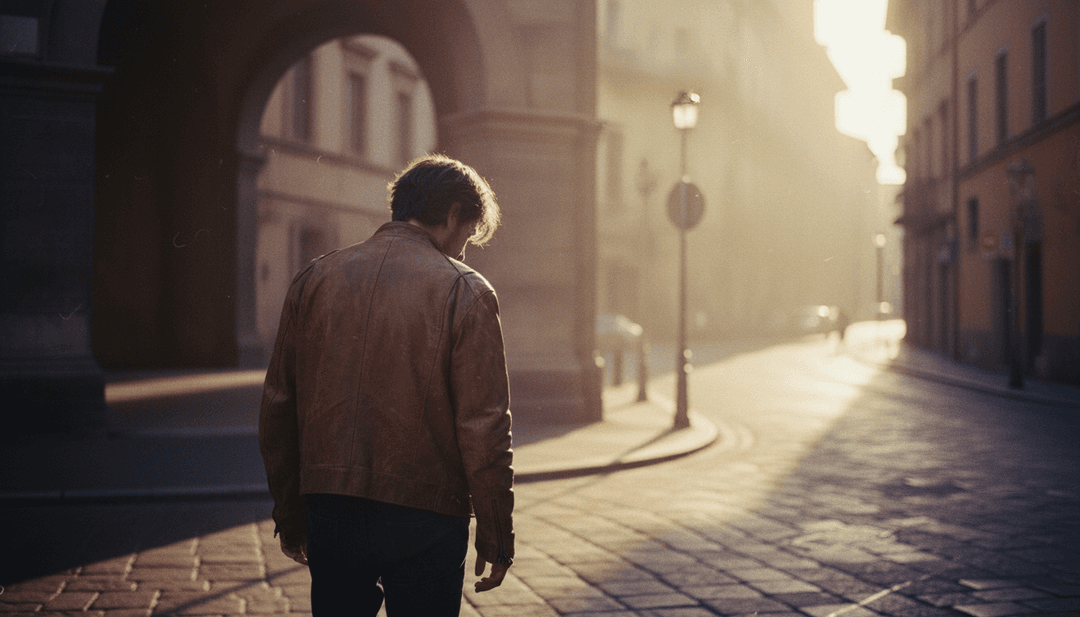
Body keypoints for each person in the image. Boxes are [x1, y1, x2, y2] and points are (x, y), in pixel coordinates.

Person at [259, 154, 514, 616]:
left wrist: (290, 513)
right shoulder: (466, 290)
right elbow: (485, 428)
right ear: (455, 213)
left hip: (331, 509)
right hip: (427, 516)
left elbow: (278, 407)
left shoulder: (314, 278)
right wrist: (496, 534)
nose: (463, 251)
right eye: (468, 236)